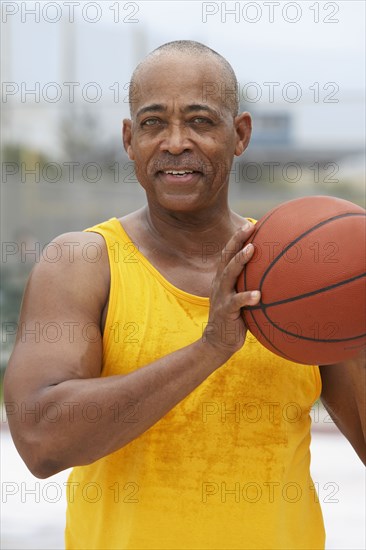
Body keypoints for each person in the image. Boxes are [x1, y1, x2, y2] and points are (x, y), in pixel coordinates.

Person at [4, 41, 365, 550]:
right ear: (129, 140)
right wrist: (208, 349)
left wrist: (357, 324)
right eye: (153, 123)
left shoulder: (302, 276)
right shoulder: (84, 264)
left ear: (239, 134)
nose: (176, 142)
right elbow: (41, 443)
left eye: (200, 121)